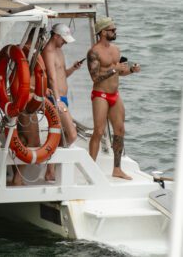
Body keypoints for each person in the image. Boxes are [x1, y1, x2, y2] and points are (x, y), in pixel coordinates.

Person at [87, 17, 141, 180]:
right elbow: (95, 78)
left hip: (114, 95)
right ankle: (90, 169)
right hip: (100, 95)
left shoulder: (116, 49)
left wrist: (131, 70)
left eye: (115, 30)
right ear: (103, 32)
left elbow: (120, 71)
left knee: (120, 130)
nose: (115, 32)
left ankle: (117, 169)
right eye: (112, 30)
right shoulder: (94, 52)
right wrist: (113, 70)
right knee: (99, 131)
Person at [42, 22, 82, 181]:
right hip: (56, 99)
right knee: (72, 135)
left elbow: (61, 75)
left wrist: (73, 68)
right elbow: (52, 78)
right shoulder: (49, 51)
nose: (65, 42)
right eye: (63, 39)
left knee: (58, 136)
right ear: (56, 36)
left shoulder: (59, 50)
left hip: (62, 98)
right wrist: (57, 100)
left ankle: (50, 169)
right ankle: (50, 167)